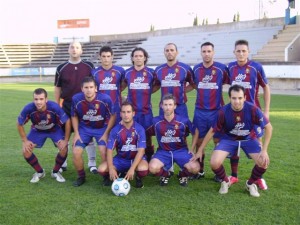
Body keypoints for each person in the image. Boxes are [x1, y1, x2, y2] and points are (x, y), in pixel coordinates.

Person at [191, 85, 272, 197]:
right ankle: (225, 181)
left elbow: (269, 128)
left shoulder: (253, 109)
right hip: (229, 139)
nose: (237, 101)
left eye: (239, 98)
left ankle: (250, 184)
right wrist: (200, 150)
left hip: (248, 139)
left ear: (244, 97)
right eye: (234, 98)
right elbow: (212, 131)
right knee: (214, 163)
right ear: (229, 98)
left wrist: (264, 150)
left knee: (264, 163)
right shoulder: (223, 111)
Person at [226, 39, 271, 189]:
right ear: (234, 52)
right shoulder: (230, 67)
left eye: (243, 51)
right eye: (238, 51)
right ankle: (234, 176)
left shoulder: (256, 67)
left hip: (253, 114)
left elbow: (266, 88)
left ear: (248, 51)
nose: (241, 53)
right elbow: (222, 85)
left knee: (257, 145)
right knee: (234, 141)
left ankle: (257, 177)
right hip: (235, 112)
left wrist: (266, 111)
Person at [54, 41, 98, 174]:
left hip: (86, 106)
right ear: (68, 50)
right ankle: (63, 162)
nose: (74, 49)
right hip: (66, 105)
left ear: (81, 51)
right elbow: (57, 87)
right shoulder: (61, 67)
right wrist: (57, 106)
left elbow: (95, 85)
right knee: (64, 135)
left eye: (77, 47)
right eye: (72, 47)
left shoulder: (89, 66)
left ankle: (92, 163)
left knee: (88, 133)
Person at [191, 42, 230, 179]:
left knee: (217, 141)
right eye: (204, 51)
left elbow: (233, 83)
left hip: (217, 111)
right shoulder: (196, 69)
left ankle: (218, 172)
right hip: (200, 111)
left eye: (209, 51)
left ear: (213, 52)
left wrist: (247, 93)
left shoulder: (221, 69)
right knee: (199, 142)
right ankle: (200, 170)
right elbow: (194, 85)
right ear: (201, 53)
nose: (206, 54)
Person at [17, 88, 71, 183]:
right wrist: (25, 141)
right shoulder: (29, 108)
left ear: (46, 99)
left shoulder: (54, 107)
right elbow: (19, 123)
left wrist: (66, 140)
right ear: (33, 100)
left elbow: (67, 121)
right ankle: (40, 172)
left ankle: (55, 172)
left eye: (41, 99)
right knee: (26, 151)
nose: (38, 102)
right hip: (37, 130)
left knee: (64, 148)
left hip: (54, 129)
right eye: (36, 99)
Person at [71, 76, 116, 187]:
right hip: (84, 129)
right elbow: (74, 116)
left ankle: (106, 176)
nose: (89, 90)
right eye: (86, 87)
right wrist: (76, 133)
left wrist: (106, 133)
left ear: (96, 88)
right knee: (76, 152)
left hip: (101, 129)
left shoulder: (105, 99)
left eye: (91, 87)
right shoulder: (76, 99)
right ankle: (81, 176)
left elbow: (113, 116)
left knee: (103, 151)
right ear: (82, 89)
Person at [148, 94, 200, 187]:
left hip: (181, 151)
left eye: (170, 104)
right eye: (166, 105)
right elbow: (145, 133)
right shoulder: (156, 121)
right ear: (161, 105)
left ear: (175, 106)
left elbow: (195, 132)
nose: (168, 107)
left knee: (195, 168)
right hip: (163, 151)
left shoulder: (183, 121)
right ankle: (166, 174)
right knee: (152, 168)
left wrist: (192, 148)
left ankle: (182, 175)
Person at [98, 101, 149, 188]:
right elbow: (109, 150)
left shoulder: (139, 129)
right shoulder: (115, 130)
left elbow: (141, 151)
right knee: (101, 169)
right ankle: (114, 174)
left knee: (143, 169)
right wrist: (110, 168)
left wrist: (132, 169)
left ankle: (138, 177)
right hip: (121, 159)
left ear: (133, 113)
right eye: (124, 112)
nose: (126, 115)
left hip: (135, 159)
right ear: (120, 114)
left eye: (128, 112)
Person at [122, 47, 160, 162]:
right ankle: (130, 157)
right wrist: (123, 98)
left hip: (146, 111)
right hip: (131, 112)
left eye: (140, 56)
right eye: (136, 56)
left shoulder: (151, 72)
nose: (138, 58)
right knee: (130, 135)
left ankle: (148, 157)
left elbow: (157, 85)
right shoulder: (127, 72)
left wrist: (148, 92)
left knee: (147, 136)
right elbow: (120, 88)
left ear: (145, 58)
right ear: (132, 58)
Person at [154, 43, 194, 119]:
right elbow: (156, 85)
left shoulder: (185, 68)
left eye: (172, 50)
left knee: (182, 129)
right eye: (167, 50)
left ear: (177, 52)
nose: (169, 52)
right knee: (163, 129)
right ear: (164, 53)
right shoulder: (158, 70)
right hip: (164, 107)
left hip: (180, 106)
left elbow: (193, 84)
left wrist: (182, 90)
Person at [92, 46, 125, 124]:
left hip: (116, 107)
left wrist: (118, 91)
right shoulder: (94, 72)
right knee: (102, 134)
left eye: (108, 56)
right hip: (100, 108)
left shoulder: (120, 70)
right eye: (103, 56)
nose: (106, 59)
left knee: (116, 133)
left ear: (112, 57)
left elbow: (125, 84)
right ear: (100, 57)